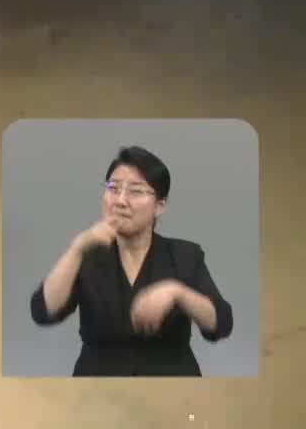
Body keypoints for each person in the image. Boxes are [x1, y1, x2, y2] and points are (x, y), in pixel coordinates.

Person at [30, 145, 234, 375]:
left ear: (160, 205)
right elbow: (43, 311)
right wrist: (76, 249)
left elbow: (222, 324)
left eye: (135, 191)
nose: (120, 200)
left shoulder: (184, 255)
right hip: (98, 387)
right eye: (113, 188)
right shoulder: (87, 254)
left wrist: (179, 293)